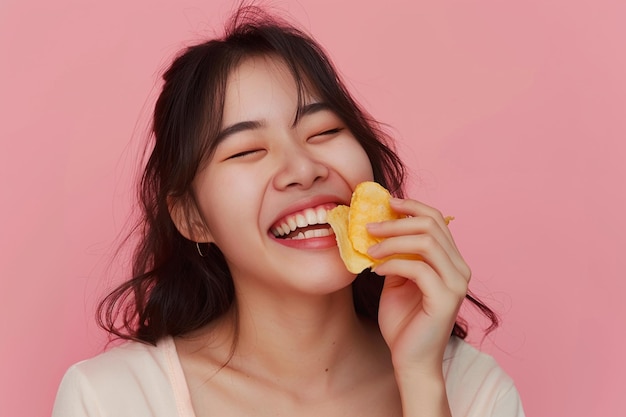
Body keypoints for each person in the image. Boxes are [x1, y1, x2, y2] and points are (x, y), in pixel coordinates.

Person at [53, 5, 525, 417]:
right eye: (245, 151)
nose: (302, 168)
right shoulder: (110, 401)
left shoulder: (473, 391)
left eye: (323, 132)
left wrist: (421, 379)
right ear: (192, 218)